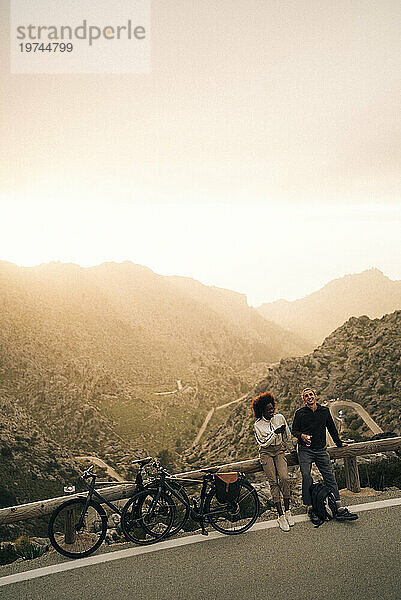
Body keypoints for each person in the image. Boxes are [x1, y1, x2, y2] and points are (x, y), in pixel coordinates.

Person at [292, 387, 358, 522]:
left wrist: (339, 443)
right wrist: (302, 436)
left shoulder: (324, 411)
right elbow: (294, 430)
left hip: (321, 450)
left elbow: (332, 428)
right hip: (305, 450)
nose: (309, 397)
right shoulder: (300, 413)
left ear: (316, 396)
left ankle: (339, 508)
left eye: (311, 394)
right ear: (303, 399)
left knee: (329, 476)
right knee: (306, 476)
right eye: (306, 396)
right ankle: (310, 507)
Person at [252, 391, 294, 532]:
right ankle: (280, 515)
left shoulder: (280, 418)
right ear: (261, 411)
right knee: (273, 482)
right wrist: (275, 433)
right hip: (266, 452)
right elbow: (263, 443)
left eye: (272, 409)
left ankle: (288, 511)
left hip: (279, 450)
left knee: (284, 478)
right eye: (267, 410)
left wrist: (292, 449)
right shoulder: (258, 425)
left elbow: (287, 435)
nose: (271, 412)